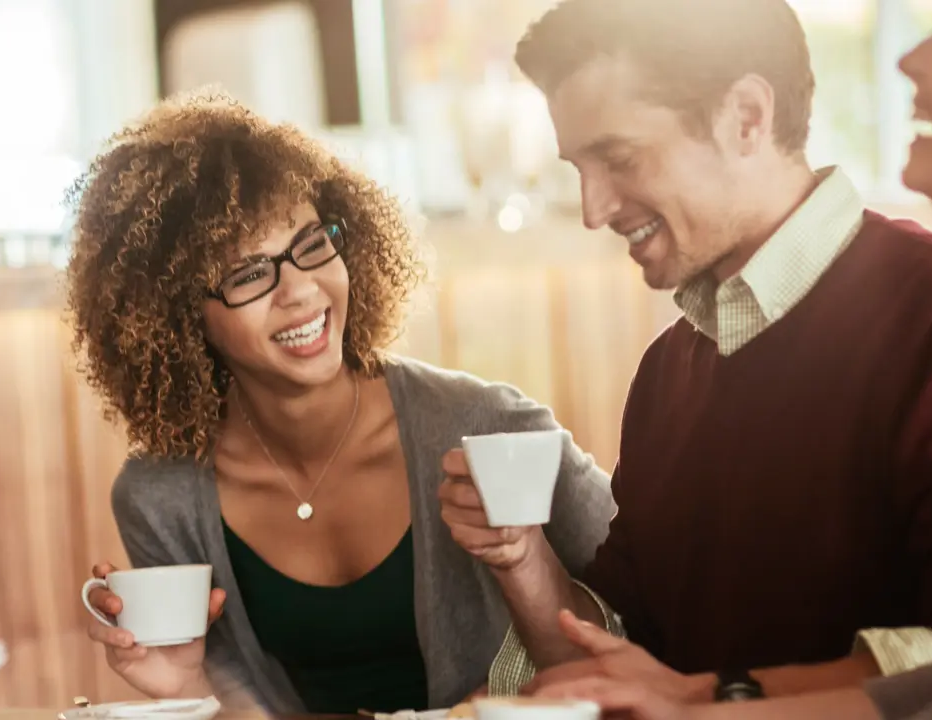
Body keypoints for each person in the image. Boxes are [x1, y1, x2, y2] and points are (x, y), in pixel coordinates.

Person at [437, 0, 932, 700]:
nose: (594, 209)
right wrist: (521, 557)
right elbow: (619, 661)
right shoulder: (671, 368)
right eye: (578, 167)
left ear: (748, 117)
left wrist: (718, 697)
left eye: (619, 158)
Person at [67, 92, 617, 714]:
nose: (301, 291)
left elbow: (648, 636)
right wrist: (189, 691)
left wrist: (524, 559)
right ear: (178, 317)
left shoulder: (491, 427)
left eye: (310, 244)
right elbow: (238, 704)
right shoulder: (160, 497)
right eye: (248, 274)